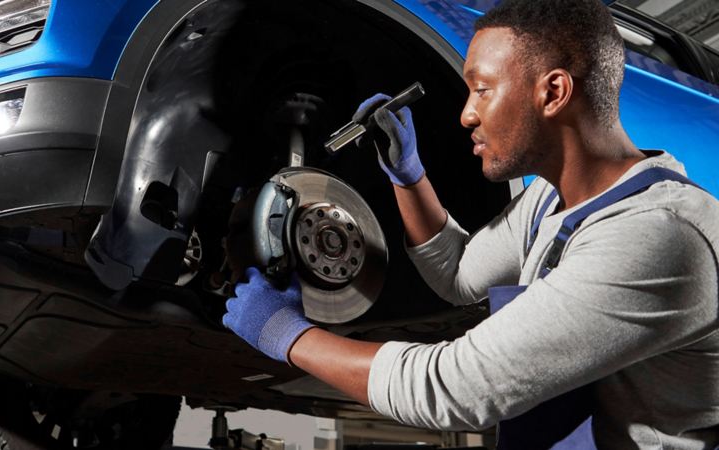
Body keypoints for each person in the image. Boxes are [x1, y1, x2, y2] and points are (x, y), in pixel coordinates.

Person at [222, 0, 719, 448]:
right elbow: (459, 275)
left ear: (553, 92)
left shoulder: (658, 235)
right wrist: (408, 175)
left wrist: (285, 333)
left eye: (482, 90)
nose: (465, 115)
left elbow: (455, 389)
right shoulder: (552, 199)